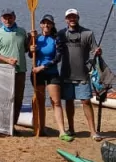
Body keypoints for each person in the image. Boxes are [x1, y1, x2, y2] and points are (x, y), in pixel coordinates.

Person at [57, 8, 102, 141]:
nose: (72, 19)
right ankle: (71, 129)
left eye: (74, 17)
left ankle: (93, 131)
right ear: (66, 19)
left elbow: (95, 49)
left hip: (83, 74)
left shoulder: (88, 33)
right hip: (66, 74)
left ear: (78, 18)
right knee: (69, 102)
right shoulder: (60, 34)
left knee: (86, 101)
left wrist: (98, 51)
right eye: (69, 17)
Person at [28, 14, 70, 141]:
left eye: (49, 23)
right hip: (37, 73)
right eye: (44, 23)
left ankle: (62, 131)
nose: (46, 25)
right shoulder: (36, 38)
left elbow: (57, 58)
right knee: (40, 102)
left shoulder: (56, 39)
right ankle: (41, 128)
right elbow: (31, 55)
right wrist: (31, 46)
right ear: (41, 25)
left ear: (52, 25)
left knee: (56, 102)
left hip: (51, 72)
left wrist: (43, 67)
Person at [0, 9, 29, 130]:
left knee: (18, 99)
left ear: (14, 17)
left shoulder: (22, 32)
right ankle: (3, 124)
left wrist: (32, 42)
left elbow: (26, 49)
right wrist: (7, 60)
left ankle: (12, 126)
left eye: (10, 17)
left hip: (20, 71)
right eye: (5, 18)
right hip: (4, 71)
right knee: (4, 100)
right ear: (1, 19)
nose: (7, 20)